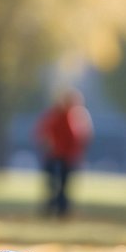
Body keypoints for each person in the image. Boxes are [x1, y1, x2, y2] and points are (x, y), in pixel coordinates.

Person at [35, 89, 94, 217]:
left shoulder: (76, 116)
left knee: (64, 185)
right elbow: (44, 133)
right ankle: (53, 206)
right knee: (53, 184)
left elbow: (81, 137)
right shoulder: (56, 115)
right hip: (54, 155)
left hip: (67, 156)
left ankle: (61, 208)